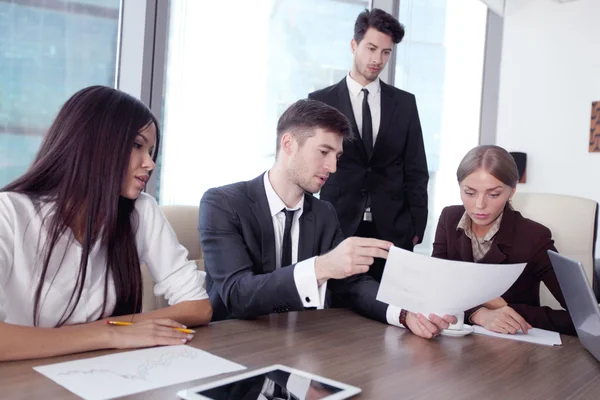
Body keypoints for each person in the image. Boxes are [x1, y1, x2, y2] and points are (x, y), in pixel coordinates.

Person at [199, 99, 454, 339]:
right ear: (288, 144)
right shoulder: (222, 204)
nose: (332, 167)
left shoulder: (324, 213)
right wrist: (322, 267)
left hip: (303, 344)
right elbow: (237, 294)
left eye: (337, 157)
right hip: (236, 348)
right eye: (323, 152)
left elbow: (352, 284)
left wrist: (404, 313)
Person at [0, 86, 212, 361]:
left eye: (151, 151)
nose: (150, 163)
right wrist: (110, 333)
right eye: (137, 145)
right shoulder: (9, 212)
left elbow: (197, 306)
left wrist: (119, 329)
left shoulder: (141, 212)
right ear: (93, 143)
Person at [308, 8, 428, 282]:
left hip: (394, 230)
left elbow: (417, 169)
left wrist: (416, 225)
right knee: (338, 313)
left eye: (386, 52)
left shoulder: (405, 104)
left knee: (392, 311)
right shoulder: (320, 101)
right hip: (338, 225)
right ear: (354, 45)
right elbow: (311, 166)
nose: (378, 59)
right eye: (371, 48)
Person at [432, 145, 575, 335]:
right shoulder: (449, 218)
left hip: (512, 349)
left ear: (512, 191)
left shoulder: (535, 237)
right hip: (454, 345)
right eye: (470, 192)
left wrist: (508, 311)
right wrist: (478, 313)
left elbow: (584, 318)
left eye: (493, 194)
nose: (479, 205)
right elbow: (433, 290)